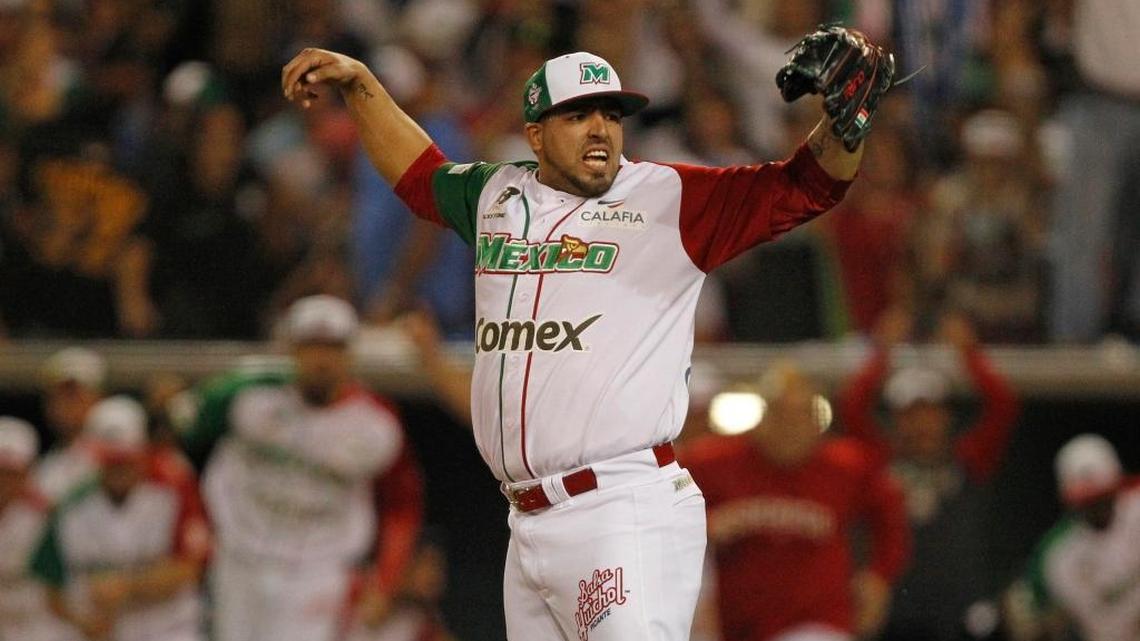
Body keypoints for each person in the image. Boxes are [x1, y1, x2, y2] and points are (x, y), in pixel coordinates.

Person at [282, 30, 873, 638]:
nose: (600, 130)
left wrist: (844, 126)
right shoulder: (496, 195)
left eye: (611, 115)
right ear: (536, 134)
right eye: (578, 115)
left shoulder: (667, 199)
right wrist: (360, 84)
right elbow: (417, 174)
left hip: (620, 508)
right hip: (526, 521)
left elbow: (806, 187)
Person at [182, 294, 424, 641]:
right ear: (291, 350)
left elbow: (401, 504)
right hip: (239, 556)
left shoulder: (375, 422)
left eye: (332, 348)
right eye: (311, 346)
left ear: (349, 354)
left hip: (319, 567)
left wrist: (386, 581)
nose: (321, 359)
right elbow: (190, 439)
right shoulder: (250, 394)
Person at [684, 363, 911, 641]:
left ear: (817, 421)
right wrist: (703, 528)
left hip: (819, 620)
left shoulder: (846, 466)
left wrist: (879, 575)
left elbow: (891, 522)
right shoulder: (714, 461)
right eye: (780, 414)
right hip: (735, 622)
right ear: (762, 417)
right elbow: (661, 503)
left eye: (801, 415)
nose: (790, 428)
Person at [839, 311, 1020, 641]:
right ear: (896, 421)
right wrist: (882, 352)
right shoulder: (880, 464)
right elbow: (852, 408)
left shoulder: (969, 461)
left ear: (946, 417)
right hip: (897, 614)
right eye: (910, 414)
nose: (922, 424)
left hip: (959, 615)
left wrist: (969, 353)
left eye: (930, 412)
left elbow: (1003, 406)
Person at [31, 396, 211, 641]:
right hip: (102, 633)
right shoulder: (71, 506)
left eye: (125, 460)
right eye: (110, 461)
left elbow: (190, 568)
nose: (118, 468)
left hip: (169, 629)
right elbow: (50, 584)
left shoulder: (173, 491)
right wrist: (83, 624)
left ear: (143, 453)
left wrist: (128, 586)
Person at [1024, 434, 1140, 641]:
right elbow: (1038, 616)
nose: (1097, 508)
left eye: (1102, 497)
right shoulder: (1057, 556)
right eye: (1087, 501)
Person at [0, 416, 80, 641]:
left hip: (36, 622)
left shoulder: (44, 515)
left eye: (12, 472)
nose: (4, 481)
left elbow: (57, 587)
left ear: (28, 472)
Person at [34, 347, 106, 501]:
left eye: (73, 394)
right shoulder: (46, 467)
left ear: (98, 398)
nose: (63, 404)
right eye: (56, 395)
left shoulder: (116, 455)